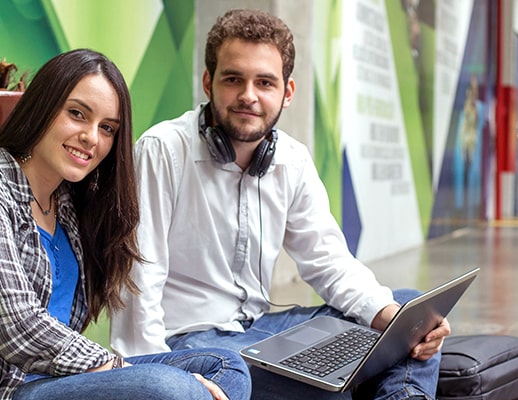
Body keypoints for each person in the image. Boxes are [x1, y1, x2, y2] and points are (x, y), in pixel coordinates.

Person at [110, 10, 448, 400]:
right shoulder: (163, 151)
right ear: (208, 83)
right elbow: (138, 278)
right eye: (233, 79)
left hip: (261, 331)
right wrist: (158, 378)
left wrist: (393, 321)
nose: (248, 96)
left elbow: (329, 262)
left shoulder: (292, 160)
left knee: (409, 309)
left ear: (287, 92)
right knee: (321, 385)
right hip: (195, 346)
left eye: (264, 82)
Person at [0, 48, 251, 400]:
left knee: (225, 367)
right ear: (43, 106)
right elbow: (19, 331)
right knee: (167, 387)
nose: (91, 137)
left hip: (48, 385)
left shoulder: (68, 207)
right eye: (77, 114)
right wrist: (124, 372)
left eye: (107, 128)